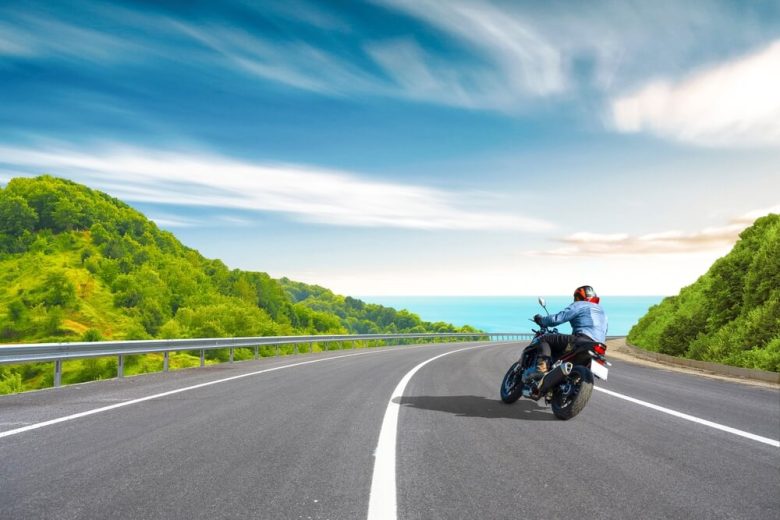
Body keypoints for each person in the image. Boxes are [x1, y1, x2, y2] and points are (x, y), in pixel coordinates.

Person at [527, 285, 608, 382]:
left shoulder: (580, 304)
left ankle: (541, 370)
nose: (575, 300)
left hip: (582, 339)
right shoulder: (602, 312)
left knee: (544, 338)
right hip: (598, 346)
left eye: (576, 297)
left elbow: (556, 319)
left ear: (579, 297)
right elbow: (605, 331)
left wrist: (541, 320)